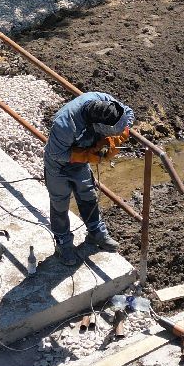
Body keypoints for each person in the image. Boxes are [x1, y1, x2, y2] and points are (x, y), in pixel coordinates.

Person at [43, 92, 134, 266]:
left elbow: (129, 112)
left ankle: (96, 233)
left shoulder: (106, 102)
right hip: (59, 166)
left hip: (81, 163)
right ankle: (63, 244)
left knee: (88, 196)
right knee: (60, 204)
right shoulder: (65, 124)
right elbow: (56, 153)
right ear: (97, 125)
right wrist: (86, 156)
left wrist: (119, 135)